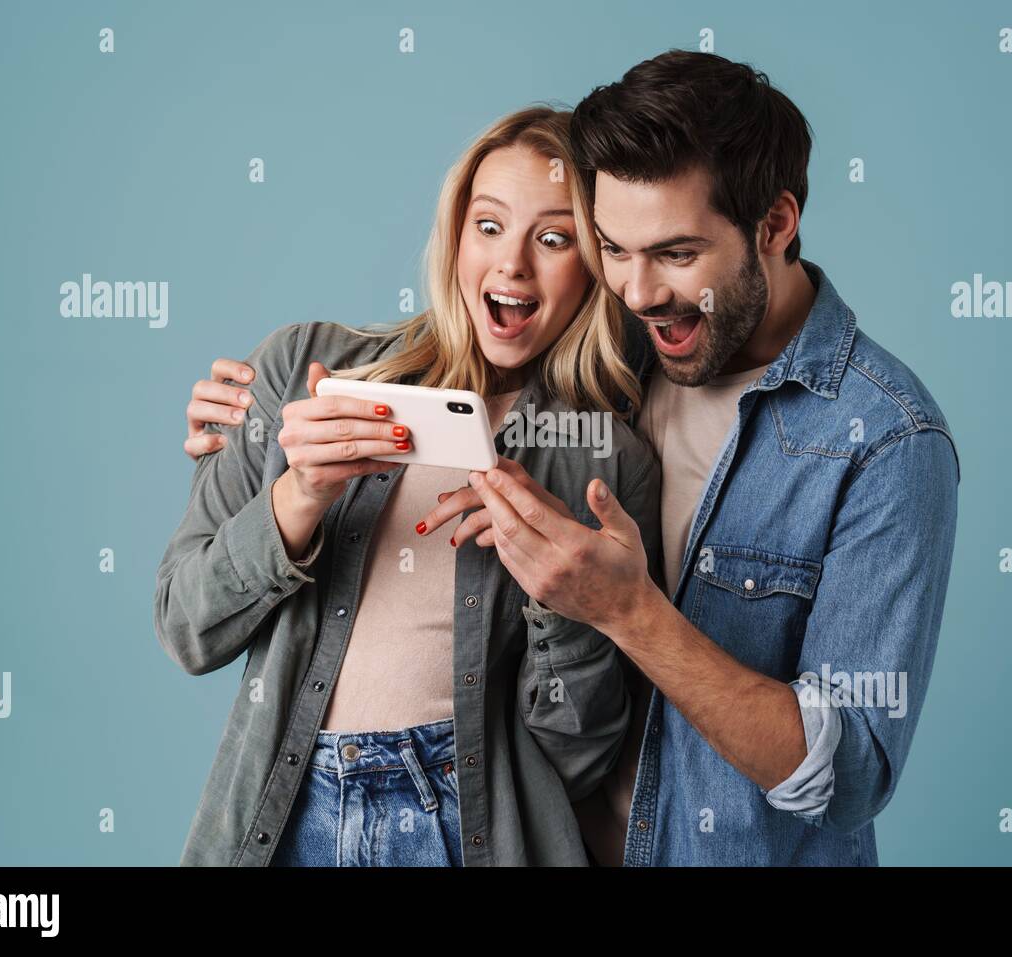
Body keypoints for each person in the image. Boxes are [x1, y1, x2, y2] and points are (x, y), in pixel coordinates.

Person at [188, 50, 961, 868]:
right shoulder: (620, 354)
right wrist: (246, 421)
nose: (637, 288)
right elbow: (492, 328)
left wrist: (627, 611)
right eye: (612, 250)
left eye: (675, 253)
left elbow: (847, 775)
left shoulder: (885, 439)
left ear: (774, 225)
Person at [155, 106, 663, 867]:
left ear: (595, 263)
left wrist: (563, 594)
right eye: (489, 225)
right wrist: (300, 497)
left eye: (554, 239)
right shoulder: (305, 366)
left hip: (467, 826)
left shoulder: (608, 462)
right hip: (289, 813)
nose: (513, 265)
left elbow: (582, 754)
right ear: (456, 233)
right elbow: (188, 626)